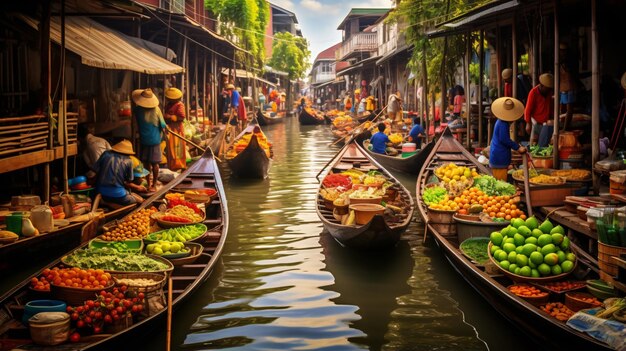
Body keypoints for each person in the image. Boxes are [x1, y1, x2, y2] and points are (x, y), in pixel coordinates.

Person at [133, 88, 166, 192]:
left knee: (146, 163)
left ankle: (149, 183)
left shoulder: (137, 110)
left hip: (143, 140)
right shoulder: (157, 110)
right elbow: (163, 125)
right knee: (155, 163)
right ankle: (154, 185)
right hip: (155, 140)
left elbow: (135, 125)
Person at [92, 140, 144, 205]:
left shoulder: (105, 153)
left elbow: (95, 170)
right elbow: (129, 181)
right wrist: (137, 187)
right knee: (136, 201)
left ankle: (105, 202)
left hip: (99, 192)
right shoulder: (129, 161)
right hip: (119, 196)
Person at [489, 97, 527, 181]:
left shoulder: (500, 121)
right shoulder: (503, 124)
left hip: (498, 155)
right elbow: (504, 139)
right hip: (499, 157)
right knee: (500, 183)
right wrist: (518, 147)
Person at [524, 73, 554, 146]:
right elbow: (528, 109)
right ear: (542, 85)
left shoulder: (549, 93)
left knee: (543, 145)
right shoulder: (533, 92)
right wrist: (528, 123)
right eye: (547, 88)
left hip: (546, 123)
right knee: (534, 145)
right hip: (536, 122)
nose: (549, 90)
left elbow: (551, 107)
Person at [163, 87, 187, 172]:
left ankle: (180, 165)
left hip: (177, 129)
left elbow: (182, 117)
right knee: (171, 148)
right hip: (170, 128)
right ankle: (172, 165)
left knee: (178, 148)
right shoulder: (168, 105)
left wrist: (171, 117)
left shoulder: (180, 105)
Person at [559, 43, 578, 131]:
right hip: (564, 88)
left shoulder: (569, 62)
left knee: (568, 110)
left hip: (569, 88)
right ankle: (563, 127)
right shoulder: (560, 62)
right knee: (564, 110)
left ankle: (565, 128)